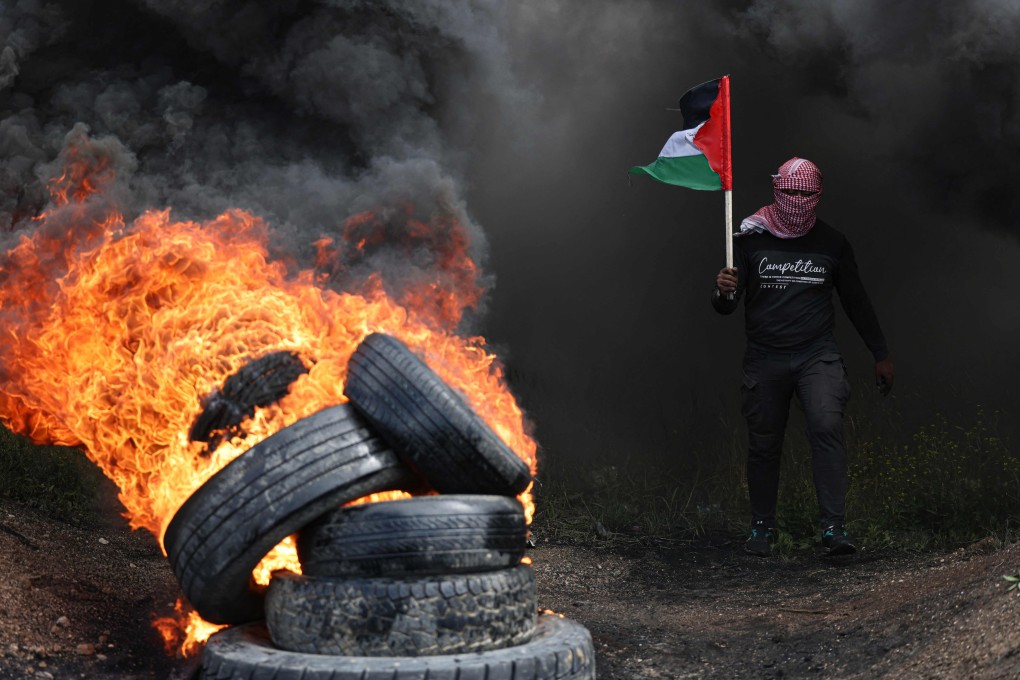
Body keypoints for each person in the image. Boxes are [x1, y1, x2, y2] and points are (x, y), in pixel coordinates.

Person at [712, 157, 894, 557]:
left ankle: (833, 529)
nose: (796, 201)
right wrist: (723, 290)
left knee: (827, 425)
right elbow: (727, 306)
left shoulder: (832, 243)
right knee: (764, 441)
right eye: (789, 192)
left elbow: (856, 300)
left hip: (817, 354)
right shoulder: (748, 240)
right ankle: (762, 528)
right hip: (766, 356)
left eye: (805, 194)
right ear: (777, 189)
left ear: (818, 196)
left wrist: (880, 353)